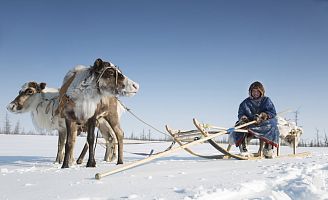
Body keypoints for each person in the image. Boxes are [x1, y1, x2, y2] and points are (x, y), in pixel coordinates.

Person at [228, 81, 280, 158]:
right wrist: (243, 117)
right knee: (239, 125)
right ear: (250, 92)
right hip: (250, 123)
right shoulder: (245, 103)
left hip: (263, 123)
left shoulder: (266, 100)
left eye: (257, 91)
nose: (255, 93)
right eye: (253, 91)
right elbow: (241, 113)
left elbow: (272, 112)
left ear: (261, 92)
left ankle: (268, 148)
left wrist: (265, 115)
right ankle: (243, 148)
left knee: (272, 124)